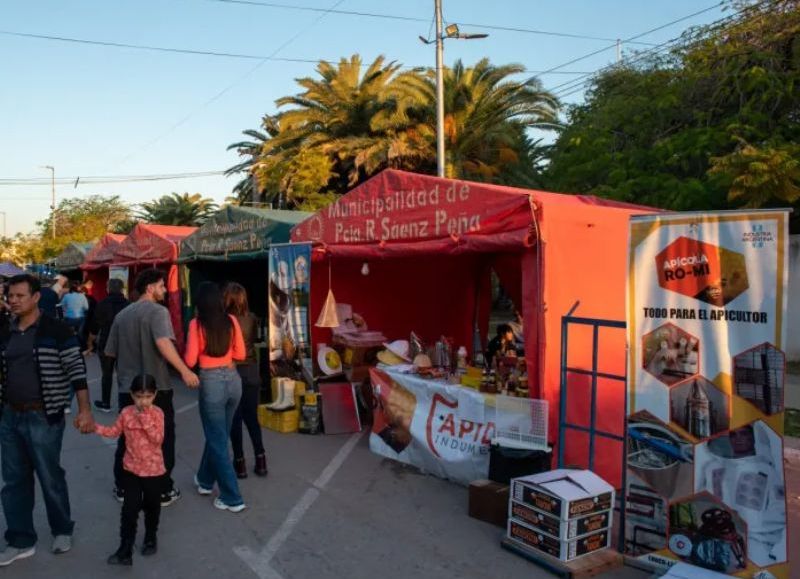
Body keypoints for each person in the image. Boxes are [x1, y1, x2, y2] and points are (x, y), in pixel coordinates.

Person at [0, 274, 95, 567]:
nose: (13, 301)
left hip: (44, 415)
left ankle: (62, 529)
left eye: (19, 295)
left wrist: (85, 410)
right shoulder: (5, 331)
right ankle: (20, 539)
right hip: (10, 416)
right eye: (9, 296)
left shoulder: (57, 329)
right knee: (14, 480)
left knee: (49, 476)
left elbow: (76, 371)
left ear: (36, 297)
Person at [104, 268, 199, 507]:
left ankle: (124, 488)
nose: (165, 290)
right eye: (162, 286)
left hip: (128, 389)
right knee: (161, 439)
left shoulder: (122, 315)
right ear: (150, 288)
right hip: (156, 388)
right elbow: (163, 343)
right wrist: (185, 370)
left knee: (127, 438)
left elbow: (109, 352)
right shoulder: (158, 312)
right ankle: (162, 489)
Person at [184, 282, 246, 512]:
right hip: (233, 380)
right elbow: (241, 353)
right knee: (218, 436)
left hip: (211, 383)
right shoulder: (232, 321)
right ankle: (204, 480)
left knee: (218, 440)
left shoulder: (196, 324)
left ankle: (232, 496)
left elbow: (190, 360)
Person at [95, 374, 164, 566]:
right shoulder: (126, 413)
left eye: (148, 396)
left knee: (152, 506)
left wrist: (145, 418)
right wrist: (94, 427)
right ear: (132, 396)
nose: (144, 401)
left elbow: (158, 439)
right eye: (140, 397)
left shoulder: (158, 413)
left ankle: (150, 537)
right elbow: (114, 432)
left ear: (155, 395)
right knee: (129, 510)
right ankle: (125, 549)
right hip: (132, 469)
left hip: (153, 470)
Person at [223, 282, 267, 478]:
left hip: (233, 371)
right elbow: (255, 340)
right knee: (252, 419)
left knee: (235, 419)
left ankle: (239, 463)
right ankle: (261, 459)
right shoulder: (252, 318)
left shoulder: (225, 321)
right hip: (251, 371)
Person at [86, 278, 130, 412]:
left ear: (108, 289)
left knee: (107, 374)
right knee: (124, 374)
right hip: (124, 344)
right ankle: (125, 405)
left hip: (106, 343)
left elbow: (94, 326)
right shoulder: (128, 305)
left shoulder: (102, 304)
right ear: (122, 289)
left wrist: (90, 343)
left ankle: (106, 403)